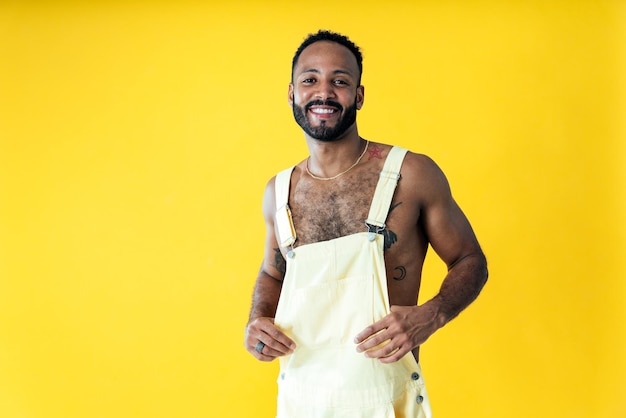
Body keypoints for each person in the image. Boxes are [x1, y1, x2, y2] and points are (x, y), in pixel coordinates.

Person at [244, 30, 488, 418]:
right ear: (291, 92)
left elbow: (470, 259)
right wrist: (257, 320)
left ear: (358, 95)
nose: (324, 92)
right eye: (310, 80)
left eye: (339, 81)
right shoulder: (279, 191)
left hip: (386, 400)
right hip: (300, 402)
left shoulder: (411, 174)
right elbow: (273, 272)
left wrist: (433, 313)